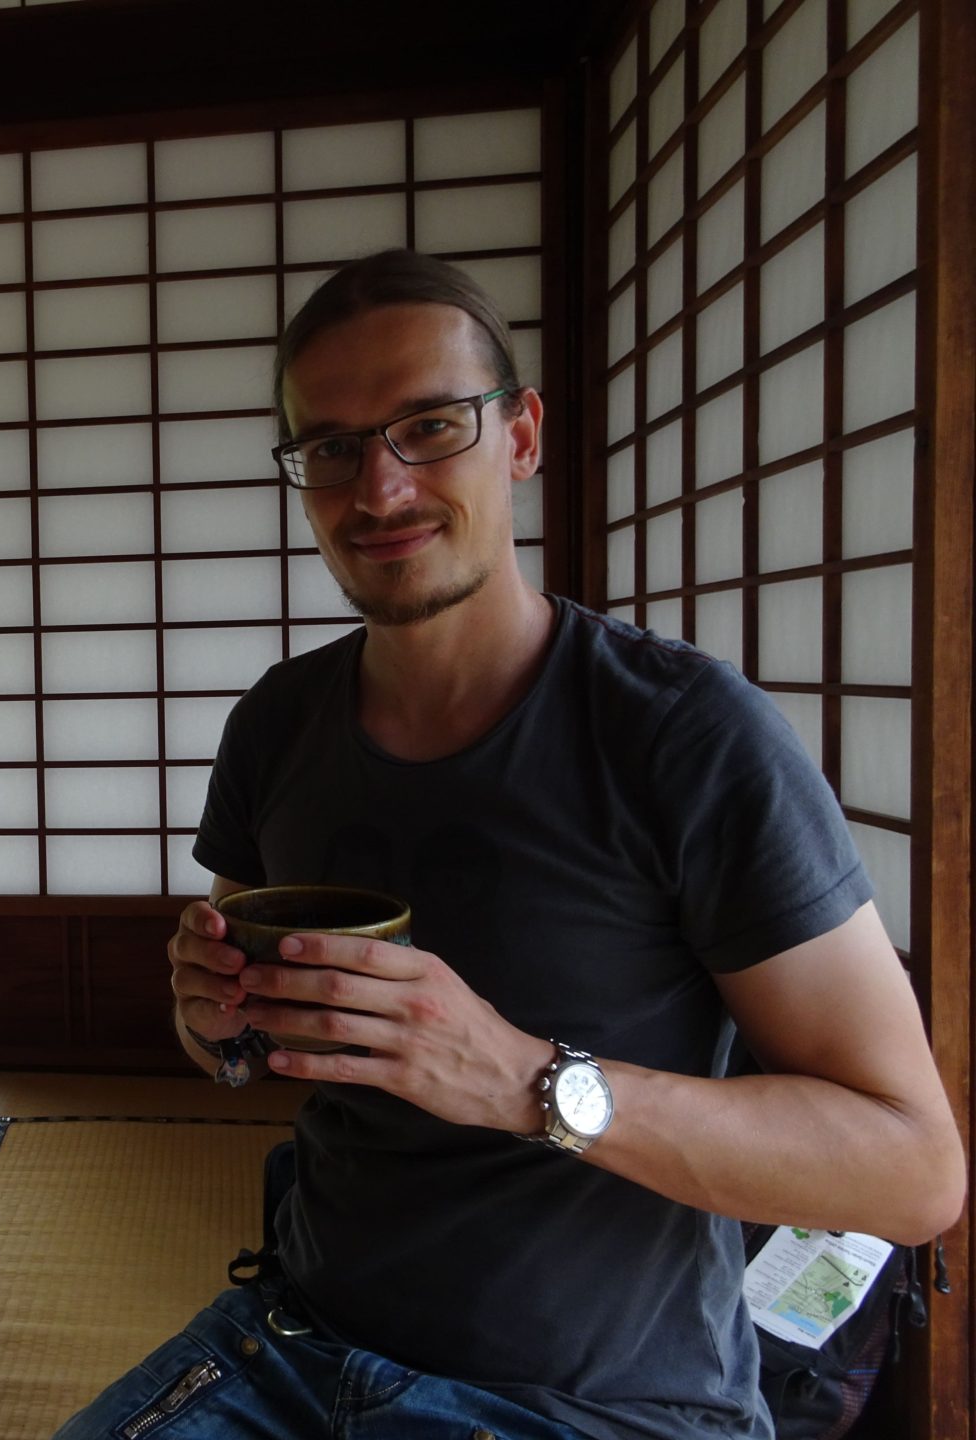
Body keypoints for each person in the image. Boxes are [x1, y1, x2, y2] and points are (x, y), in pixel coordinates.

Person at [51, 250, 964, 1440]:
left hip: (596, 1405)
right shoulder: (279, 723)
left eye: (429, 425)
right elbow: (247, 1043)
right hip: (295, 1347)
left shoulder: (684, 734)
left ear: (521, 436)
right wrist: (218, 1025)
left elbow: (913, 1172)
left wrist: (532, 1083)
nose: (378, 490)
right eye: (330, 448)